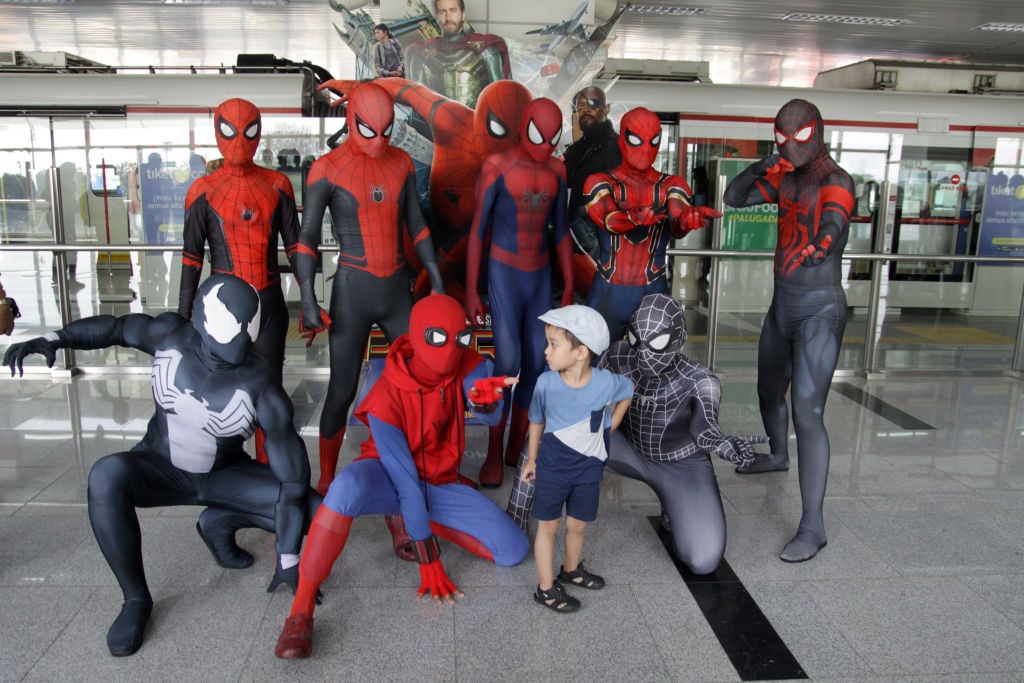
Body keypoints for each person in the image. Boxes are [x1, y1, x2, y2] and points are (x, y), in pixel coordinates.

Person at [2, 274, 322, 657]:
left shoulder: (262, 386)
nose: (235, 338)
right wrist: (54, 338)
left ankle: (218, 521)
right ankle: (136, 599)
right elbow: (118, 328)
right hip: (159, 465)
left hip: (224, 475)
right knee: (106, 475)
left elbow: (292, 481)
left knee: (315, 511)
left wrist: (289, 559)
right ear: (203, 319)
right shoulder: (171, 335)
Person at [274, 294, 529, 658]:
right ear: (417, 335)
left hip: (438, 481)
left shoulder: (467, 360)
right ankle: (300, 611)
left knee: (512, 550)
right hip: (387, 474)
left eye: (461, 338)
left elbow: (487, 412)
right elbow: (404, 478)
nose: (451, 350)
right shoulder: (385, 391)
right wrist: (430, 560)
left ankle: (411, 519)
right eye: (439, 339)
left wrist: (483, 403)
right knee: (347, 486)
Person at [292, 82, 445, 496]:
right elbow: (305, 239)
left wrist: (438, 279)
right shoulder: (326, 168)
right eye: (367, 130)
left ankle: (421, 464)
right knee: (341, 389)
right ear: (350, 119)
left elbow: (416, 224)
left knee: (423, 380)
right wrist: (307, 296)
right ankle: (326, 476)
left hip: (396, 289)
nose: (378, 140)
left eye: (386, 130)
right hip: (353, 290)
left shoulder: (401, 164)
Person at [723, 98, 855, 563]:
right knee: (766, 390)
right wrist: (765, 161)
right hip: (782, 305)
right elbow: (734, 198)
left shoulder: (835, 179)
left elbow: (836, 218)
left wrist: (820, 246)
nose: (790, 145)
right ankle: (777, 455)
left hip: (820, 310)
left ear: (817, 131)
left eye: (798, 136)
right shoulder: (784, 178)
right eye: (782, 136)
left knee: (807, 410)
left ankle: (813, 525)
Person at [317, 77, 531, 298]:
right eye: (499, 132)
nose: (505, 149)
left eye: (518, 138)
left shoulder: (522, 176)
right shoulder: (453, 120)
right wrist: (366, 86)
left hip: (478, 254)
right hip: (431, 229)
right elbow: (410, 91)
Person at [599, 293, 767, 574]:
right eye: (636, 339)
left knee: (703, 561)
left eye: (657, 342)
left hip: (680, 464)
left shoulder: (701, 380)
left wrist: (724, 444)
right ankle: (516, 516)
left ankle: (674, 504)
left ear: (678, 338)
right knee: (552, 434)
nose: (643, 353)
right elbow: (582, 396)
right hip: (626, 448)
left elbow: (704, 427)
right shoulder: (618, 354)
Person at [179, 98, 301, 463]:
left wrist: (311, 305)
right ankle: (227, 475)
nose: (238, 142)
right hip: (220, 307)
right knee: (219, 393)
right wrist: (183, 319)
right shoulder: (202, 191)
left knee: (270, 392)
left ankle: (269, 473)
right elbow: (190, 260)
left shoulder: (277, 184)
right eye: (230, 132)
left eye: (247, 132)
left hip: (267, 304)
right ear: (217, 131)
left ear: (258, 132)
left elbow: (296, 249)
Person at [464, 97, 575, 487]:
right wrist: (472, 291)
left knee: (536, 361)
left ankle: (517, 444)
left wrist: (569, 283)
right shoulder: (497, 166)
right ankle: (494, 449)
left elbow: (560, 230)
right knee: (507, 361)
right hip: (505, 272)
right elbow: (478, 231)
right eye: (537, 136)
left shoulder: (558, 171)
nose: (544, 146)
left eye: (552, 139)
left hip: (540, 274)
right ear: (524, 125)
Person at [521, 305, 632, 613]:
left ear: (581, 351)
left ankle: (570, 570)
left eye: (554, 345)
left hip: (588, 468)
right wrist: (531, 459)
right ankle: (545, 589)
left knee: (578, 524)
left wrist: (612, 423)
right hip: (553, 467)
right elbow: (536, 421)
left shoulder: (606, 382)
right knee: (548, 526)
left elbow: (628, 390)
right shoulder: (546, 384)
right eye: (547, 343)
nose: (546, 351)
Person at [583, 106, 720, 343]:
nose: (645, 149)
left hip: (652, 290)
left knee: (656, 369)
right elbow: (607, 218)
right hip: (609, 291)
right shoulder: (600, 182)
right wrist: (634, 218)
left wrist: (688, 220)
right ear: (622, 138)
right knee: (596, 366)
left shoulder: (671, 185)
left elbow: (677, 221)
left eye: (653, 141)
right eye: (636, 140)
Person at [404, 0, 511, 108]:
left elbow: (501, 101)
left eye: (453, 10)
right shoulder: (421, 54)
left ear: (463, 14)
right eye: (442, 12)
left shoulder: (486, 51)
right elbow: (417, 104)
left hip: (476, 121)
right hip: (435, 123)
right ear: (437, 16)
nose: (448, 17)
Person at [563, 86, 621, 266]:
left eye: (592, 103)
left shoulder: (618, 147)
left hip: (599, 235)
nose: (585, 109)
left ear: (607, 108)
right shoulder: (576, 150)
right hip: (575, 234)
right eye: (579, 106)